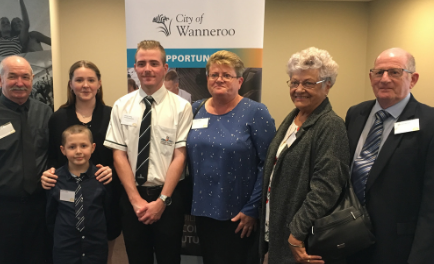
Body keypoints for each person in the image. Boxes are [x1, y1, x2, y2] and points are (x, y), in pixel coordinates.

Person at [346, 48, 434, 264]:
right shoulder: (355, 114)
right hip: (349, 239)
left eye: (395, 72)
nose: (384, 79)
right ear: (371, 77)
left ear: (413, 79)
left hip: (397, 248)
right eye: (378, 73)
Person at [104, 40, 192, 264]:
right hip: (132, 197)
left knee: (169, 258)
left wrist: (162, 200)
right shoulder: (121, 106)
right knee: (137, 258)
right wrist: (135, 200)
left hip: (168, 197)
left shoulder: (182, 107)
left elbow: (180, 155)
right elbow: (119, 155)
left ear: (165, 68)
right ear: (135, 67)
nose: (147, 69)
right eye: (142, 64)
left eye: (154, 63)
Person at [259, 47, 350, 264]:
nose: (299, 89)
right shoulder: (293, 119)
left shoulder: (330, 126)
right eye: (294, 82)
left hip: (301, 241)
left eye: (308, 83)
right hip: (277, 232)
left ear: (327, 85)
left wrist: (296, 234)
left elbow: (326, 189)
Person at [187, 50, 275, 264]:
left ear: (240, 81)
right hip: (203, 211)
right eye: (214, 74)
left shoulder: (256, 112)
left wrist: (252, 208)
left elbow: (270, 163)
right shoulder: (195, 109)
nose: (219, 79)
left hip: (239, 214)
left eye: (226, 75)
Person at [0, 55, 52, 263]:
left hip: (39, 209)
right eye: (13, 77)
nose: (20, 83)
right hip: (1, 210)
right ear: (0, 80)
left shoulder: (44, 112)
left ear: (32, 79)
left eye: (25, 77)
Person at [40, 60, 117, 263]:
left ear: (99, 83)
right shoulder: (58, 118)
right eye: (79, 80)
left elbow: (122, 155)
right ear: (71, 84)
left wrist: (113, 172)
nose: (85, 85)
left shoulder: (112, 115)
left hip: (104, 192)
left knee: (100, 252)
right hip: (67, 193)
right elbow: (52, 156)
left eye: (91, 80)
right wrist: (48, 173)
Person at [47, 125, 110, 264]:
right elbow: (50, 215)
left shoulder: (101, 178)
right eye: (72, 147)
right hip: (65, 248)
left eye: (83, 146)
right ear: (63, 150)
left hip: (95, 247)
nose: (78, 151)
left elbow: (108, 211)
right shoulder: (55, 180)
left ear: (92, 148)